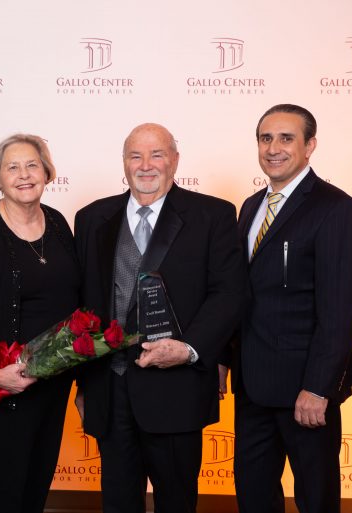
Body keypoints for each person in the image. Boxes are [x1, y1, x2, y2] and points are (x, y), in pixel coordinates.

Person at [74, 123, 247, 513]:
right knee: (118, 501)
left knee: (176, 502)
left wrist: (190, 349)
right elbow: (84, 306)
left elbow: (229, 294)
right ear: (124, 163)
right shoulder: (91, 218)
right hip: (110, 390)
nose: (146, 165)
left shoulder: (212, 215)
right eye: (135, 156)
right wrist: (83, 384)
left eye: (157, 155)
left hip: (176, 388)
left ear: (175, 160)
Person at [226, 104, 352, 513]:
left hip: (305, 390)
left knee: (315, 498)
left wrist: (319, 388)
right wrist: (223, 358)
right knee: (253, 495)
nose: (273, 148)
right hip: (252, 386)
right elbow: (240, 295)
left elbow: (341, 310)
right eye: (265, 138)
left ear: (310, 146)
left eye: (286, 138)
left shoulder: (336, 208)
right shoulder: (251, 206)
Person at [0, 134, 80, 513]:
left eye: (32, 165)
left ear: (47, 172)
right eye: (13, 167)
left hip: (55, 384)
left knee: (37, 483)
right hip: (7, 388)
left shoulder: (58, 224)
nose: (24, 175)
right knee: (2, 491)